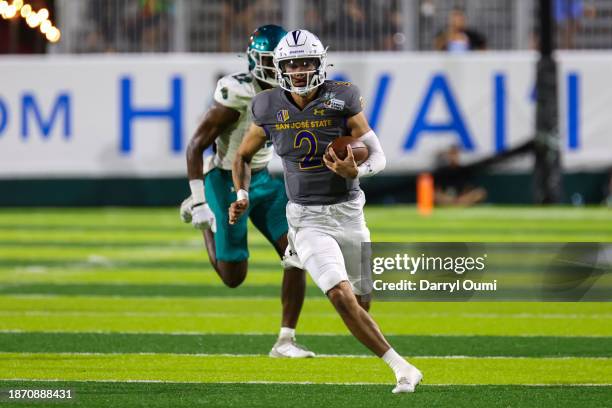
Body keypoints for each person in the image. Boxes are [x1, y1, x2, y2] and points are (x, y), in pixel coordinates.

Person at [230, 29, 423, 393]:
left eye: (305, 63)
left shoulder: (343, 97)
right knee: (338, 292)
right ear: (280, 67)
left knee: (362, 299)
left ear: (320, 63)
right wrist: (241, 192)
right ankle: (402, 367)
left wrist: (357, 170)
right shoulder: (267, 105)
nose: (299, 71)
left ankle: (381, 347)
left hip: (349, 212)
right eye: (292, 64)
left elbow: (377, 155)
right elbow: (241, 155)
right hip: (305, 218)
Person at [181, 25, 314, 358]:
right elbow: (196, 145)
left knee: (297, 253)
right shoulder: (237, 92)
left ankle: (285, 340)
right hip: (225, 180)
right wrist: (200, 201)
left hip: (265, 180)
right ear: (256, 60)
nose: (281, 69)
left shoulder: (294, 89)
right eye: (272, 61)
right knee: (233, 277)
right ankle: (204, 218)